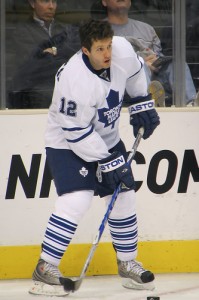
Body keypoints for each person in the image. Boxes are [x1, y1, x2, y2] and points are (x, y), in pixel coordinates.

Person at [29, 19, 160, 296]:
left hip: (107, 139)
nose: (108, 54)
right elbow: (76, 132)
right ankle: (45, 268)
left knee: (125, 194)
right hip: (67, 143)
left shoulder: (122, 49)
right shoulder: (74, 79)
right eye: (100, 49)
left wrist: (139, 102)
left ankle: (127, 263)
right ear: (85, 50)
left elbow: (136, 72)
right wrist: (107, 160)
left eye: (109, 46)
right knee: (77, 199)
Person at [98, 0, 197, 107]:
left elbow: (159, 57)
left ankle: (190, 104)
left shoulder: (147, 29)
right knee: (141, 66)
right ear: (104, 2)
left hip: (155, 80)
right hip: (120, 84)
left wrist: (155, 61)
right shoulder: (98, 31)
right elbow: (97, 63)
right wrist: (141, 64)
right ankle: (148, 105)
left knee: (178, 64)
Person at [8, 0, 80, 109]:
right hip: (38, 93)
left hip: (67, 89)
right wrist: (63, 53)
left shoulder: (65, 29)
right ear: (32, 3)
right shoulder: (21, 32)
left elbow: (76, 55)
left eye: (54, 2)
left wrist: (53, 51)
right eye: (45, 1)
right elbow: (35, 63)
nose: (51, 6)